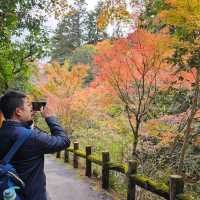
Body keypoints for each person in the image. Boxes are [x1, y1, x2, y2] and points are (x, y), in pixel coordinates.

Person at [0, 90, 71, 200]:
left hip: (8, 192)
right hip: (32, 195)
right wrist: (50, 117)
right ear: (18, 111)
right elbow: (63, 141)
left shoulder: (3, 132)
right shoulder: (31, 137)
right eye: (28, 105)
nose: (31, 108)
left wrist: (28, 121)